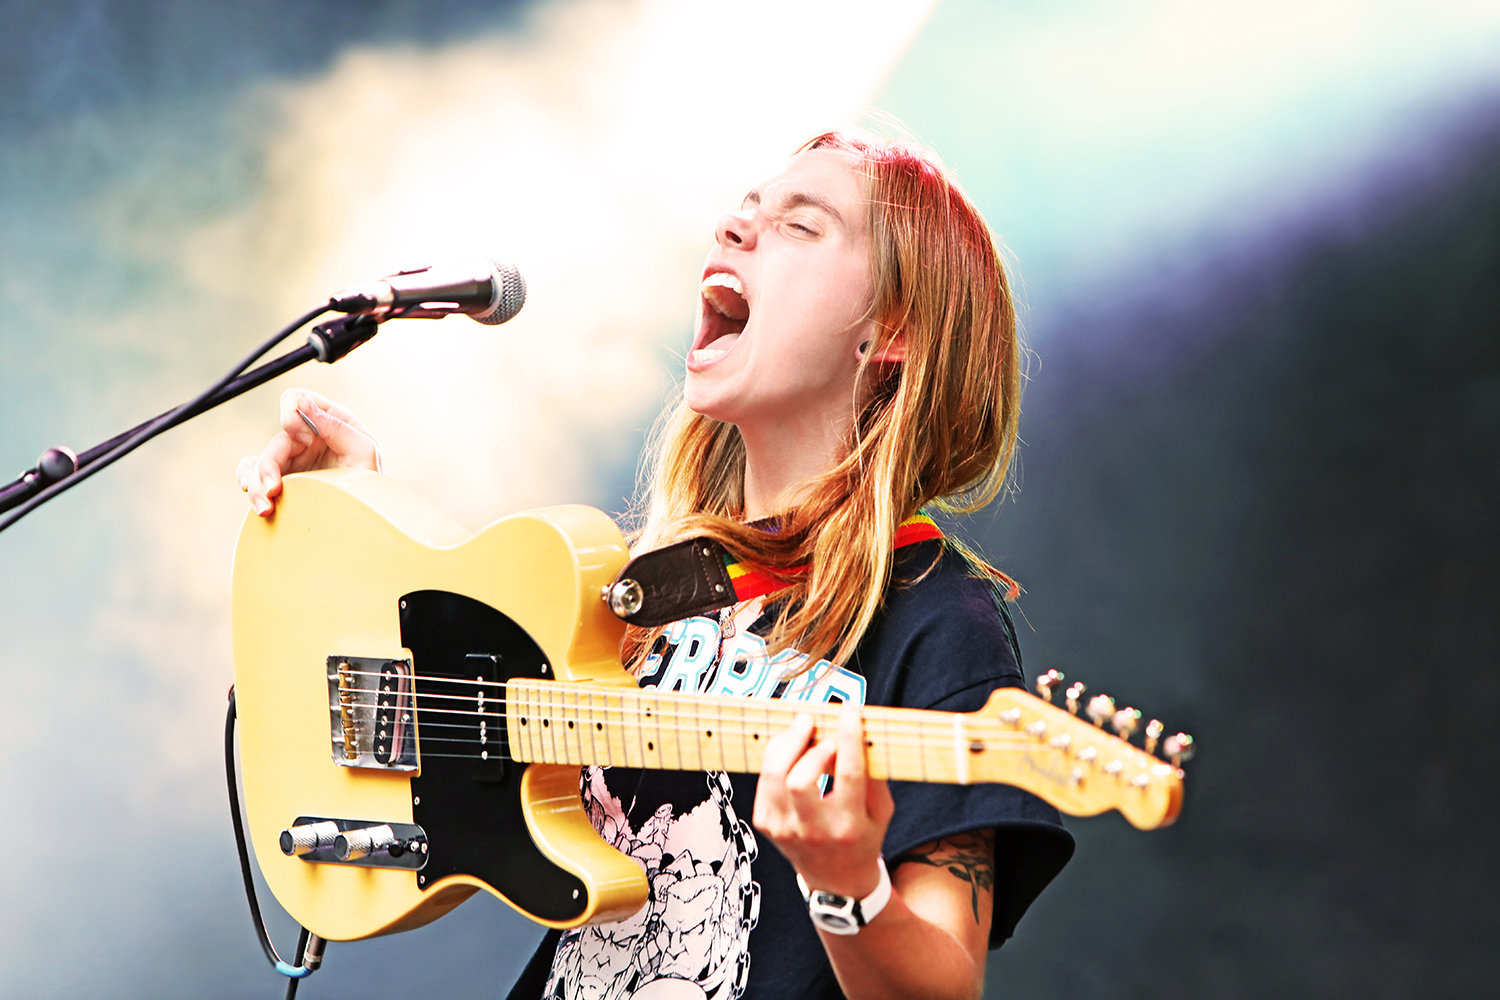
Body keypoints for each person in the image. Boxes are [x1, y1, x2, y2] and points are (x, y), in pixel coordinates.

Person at [238, 129, 1073, 1000]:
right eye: (744, 210)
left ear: (892, 330)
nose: (734, 228)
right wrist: (351, 528)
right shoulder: (643, 589)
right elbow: (422, 750)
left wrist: (845, 884)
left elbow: (942, 985)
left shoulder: (938, 624)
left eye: (801, 225)